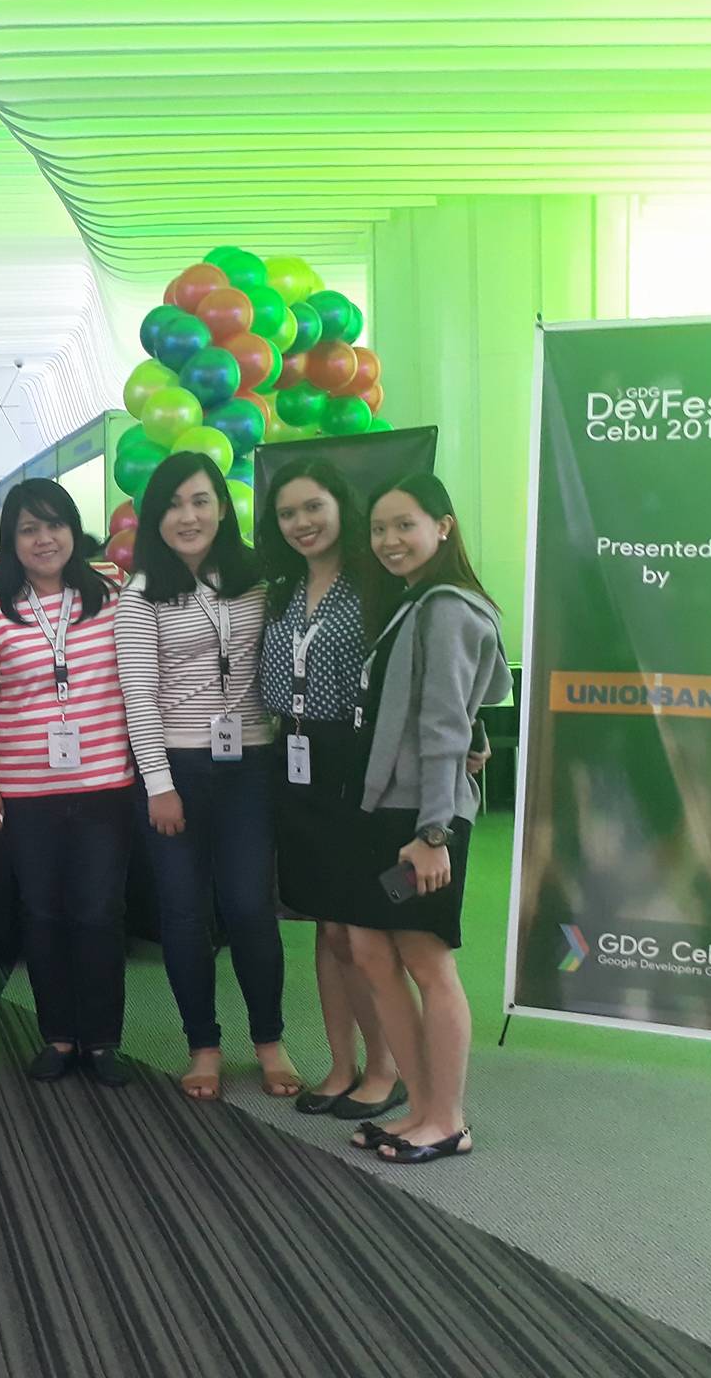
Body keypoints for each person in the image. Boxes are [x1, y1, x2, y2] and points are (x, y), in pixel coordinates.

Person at [115, 451, 304, 1102]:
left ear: (223, 507)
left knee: (251, 907)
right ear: (155, 517)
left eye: (200, 500)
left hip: (250, 764)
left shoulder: (259, 578)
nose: (188, 516)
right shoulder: (141, 595)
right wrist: (159, 784)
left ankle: (270, 1041)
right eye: (172, 505)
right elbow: (139, 698)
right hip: (176, 768)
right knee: (185, 914)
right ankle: (203, 1045)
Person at [346, 474, 511, 1164]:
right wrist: (477, 735)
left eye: (404, 525)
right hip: (389, 810)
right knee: (370, 947)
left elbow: (445, 722)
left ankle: (446, 1120)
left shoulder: (445, 606)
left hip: (422, 820)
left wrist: (434, 833)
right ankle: (420, 1107)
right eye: (379, 528)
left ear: (442, 527)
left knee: (425, 959)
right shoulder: (416, 602)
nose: (389, 540)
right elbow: (479, 697)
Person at [0, 479, 135, 1085]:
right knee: (41, 912)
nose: (44, 539)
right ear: (12, 539)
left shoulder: (111, 594)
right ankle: (58, 1036)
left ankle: (103, 1039)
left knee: (99, 911)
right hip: (25, 791)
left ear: (73, 530)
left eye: (54, 524)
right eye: (28, 528)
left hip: (105, 784)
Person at [257, 458, 406, 1122]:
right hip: (294, 760)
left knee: (360, 927)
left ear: (341, 506)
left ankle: (386, 1069)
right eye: (288, 513)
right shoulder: (282, 588)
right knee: (325, 924)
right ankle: (341, 1066)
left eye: (313, 507)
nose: (302, 523)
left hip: (357, 759)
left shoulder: (378, 583)